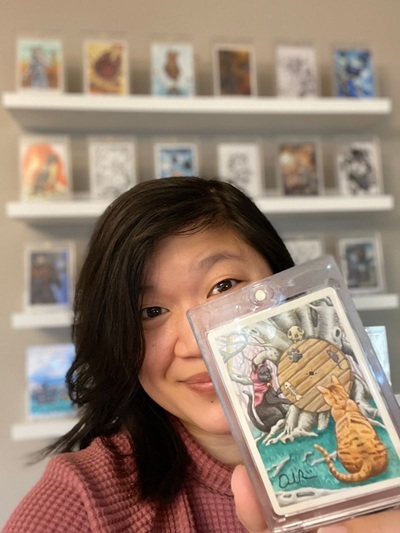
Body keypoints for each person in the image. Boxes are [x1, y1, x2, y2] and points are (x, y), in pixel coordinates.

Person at [3, 177, 399, 533]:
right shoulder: (82, 502)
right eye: (150, 312)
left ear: (285, 287)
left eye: (224, 286)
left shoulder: (384, 447)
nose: (196, 344)